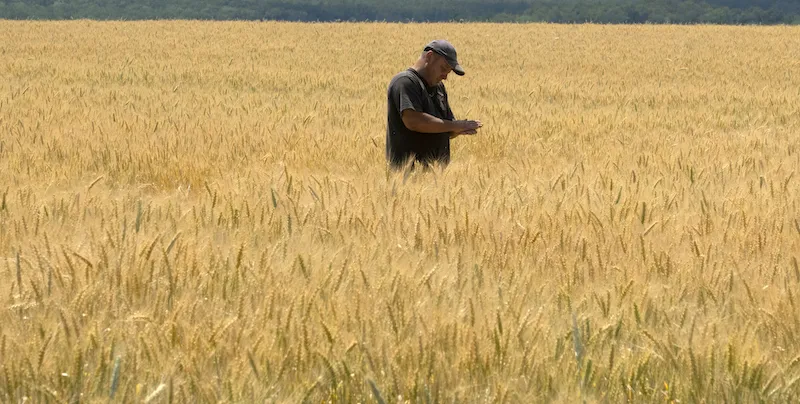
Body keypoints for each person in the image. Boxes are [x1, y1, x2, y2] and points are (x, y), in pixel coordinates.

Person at [385, 39, 482, 171]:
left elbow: (445, 127)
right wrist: (455, 126)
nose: (445, 77)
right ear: (429, 57)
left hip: (436, 177)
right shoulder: (406, 82)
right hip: (408, 176)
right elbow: (413, 121)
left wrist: (457, 129)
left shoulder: (439, 88)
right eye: (443, 69)